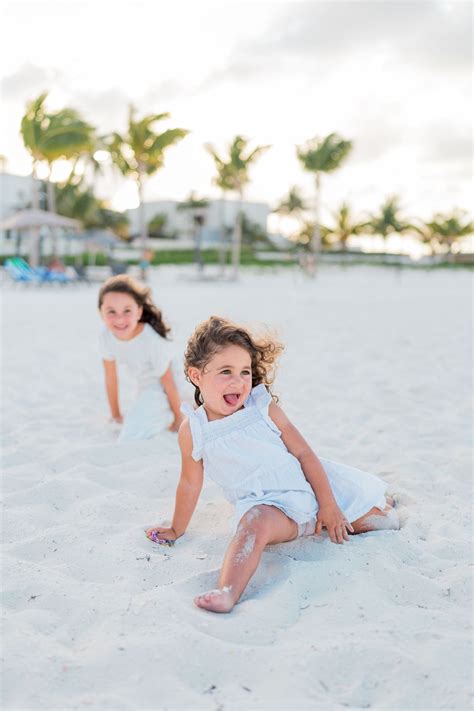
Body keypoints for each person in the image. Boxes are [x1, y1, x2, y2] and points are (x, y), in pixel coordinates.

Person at [145, 316, 399, 613]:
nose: (238, 381)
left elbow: (305, 454)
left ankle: (384, 505)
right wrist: (176, 528)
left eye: (244, 371)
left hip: (310, 494)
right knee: (253, 524)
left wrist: (328, 504)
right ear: (196, 375)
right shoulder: (195, 430)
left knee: (379, 521)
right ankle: (228, 590)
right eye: (226, 371)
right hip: (272, 510)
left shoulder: (262, 408)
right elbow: (190, 482)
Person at [98, 275, 182, 442]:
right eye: (111, 311)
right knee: (136, 419)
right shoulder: (106, 336)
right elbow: (111, 377)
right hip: (145, 387)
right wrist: (115, 415)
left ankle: (182, 409)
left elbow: (168, 380)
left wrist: (178, 418)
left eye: (127, 311)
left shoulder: (150, 339)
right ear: (101, 313)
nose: (119, 319)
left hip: (169, 386)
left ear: (139, 311)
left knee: (130, 435)